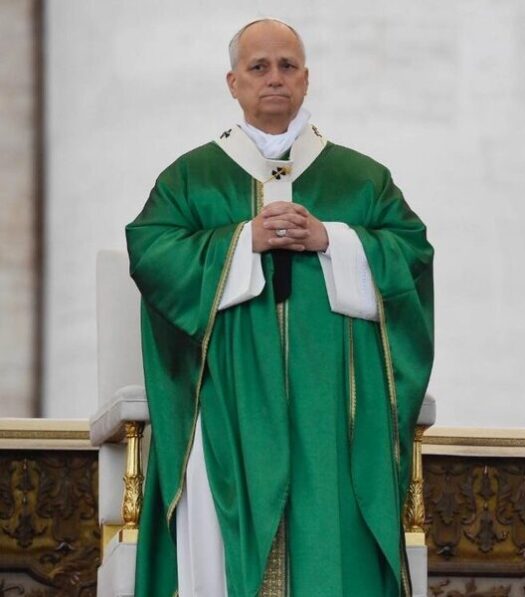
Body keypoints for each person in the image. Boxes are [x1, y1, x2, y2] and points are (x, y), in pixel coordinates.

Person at [126, 18, 433, 596]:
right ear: (233, 82)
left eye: (287, 67)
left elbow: (412, 253)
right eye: (259, 67)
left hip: (334, 407)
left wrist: (332, 240)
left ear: (307, 79)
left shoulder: (361, 179)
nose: (274, 79)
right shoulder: (191, 178)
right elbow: (151, 253)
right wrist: (244, 241)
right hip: (226, 402)